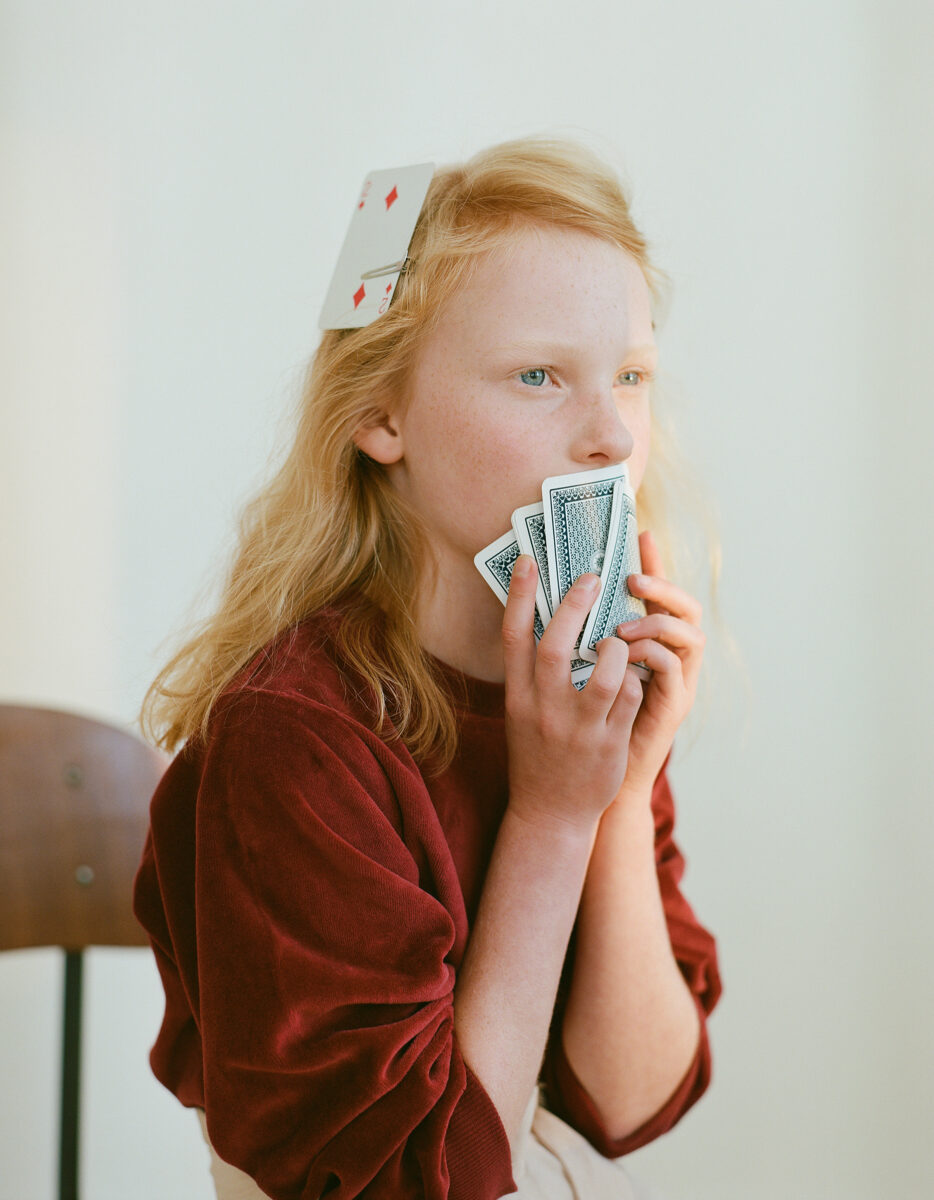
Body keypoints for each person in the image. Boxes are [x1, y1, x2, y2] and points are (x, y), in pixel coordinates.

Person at [133, 136, 722, 1200]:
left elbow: (635, 1102)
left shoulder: (572, 695)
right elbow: (422, 1183)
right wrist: (549, 821)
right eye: (538, 375)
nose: (608, 438)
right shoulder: (295, 739)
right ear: (379, 414)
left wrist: (618, 797)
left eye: (629, 376)